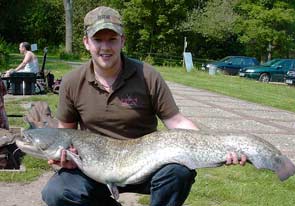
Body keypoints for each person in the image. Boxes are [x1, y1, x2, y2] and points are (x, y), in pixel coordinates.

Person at [41, 6, 247, 206]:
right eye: (98, 40)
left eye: (112, 39)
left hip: (146, 166)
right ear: (86, 42)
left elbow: (176, 121)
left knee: (179, 173)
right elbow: (65, 133)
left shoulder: (148, 75)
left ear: (122, 40)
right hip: (94, 169)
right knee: (57, 192)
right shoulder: (72, 81)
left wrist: (221, 146)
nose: (105, 47)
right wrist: (64, 158)